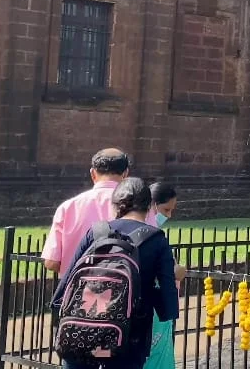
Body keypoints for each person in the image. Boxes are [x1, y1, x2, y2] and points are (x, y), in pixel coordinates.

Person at [52, 179, 179, 369]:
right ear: (149, 206)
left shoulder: (96, 232)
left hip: (81, 334)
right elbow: (168, 305)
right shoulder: (156, 239)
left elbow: (64, 288)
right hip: (128, 340)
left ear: (116, 205)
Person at [43, 149, 157, 276]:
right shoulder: (140, 206)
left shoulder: (67, 207)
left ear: (93, 173)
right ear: (125, 174)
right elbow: (154, 251)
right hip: (126, 289)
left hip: (77, 290)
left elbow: (51, 262)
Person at [143, 183, 180, 369]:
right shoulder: (148, 233)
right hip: (153, 303)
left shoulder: (153, 232)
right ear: (152, 205)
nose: (168, 215)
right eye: (166, 209)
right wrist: (175, 272)